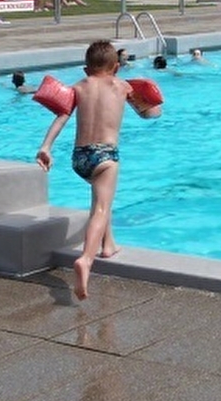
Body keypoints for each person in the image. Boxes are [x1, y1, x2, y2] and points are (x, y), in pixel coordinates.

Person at [34, 40, 162, 300]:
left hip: (79, 158)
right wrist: (152, 98)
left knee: (102, 199)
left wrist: (45, 147)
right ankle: (86, 259)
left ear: (85, 69)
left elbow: (61, 116)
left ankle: (108, 245)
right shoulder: (122, 86)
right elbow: (151, 114)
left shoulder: (77, 88)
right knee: (100, 209)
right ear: (116, 67)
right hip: (105, 155)